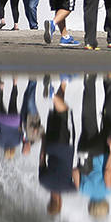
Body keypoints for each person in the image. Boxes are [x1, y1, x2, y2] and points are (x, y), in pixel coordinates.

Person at [77, 74, 111, 220]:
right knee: (88, 116)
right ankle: (89, 79)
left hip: (102, 150)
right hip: (85, 151)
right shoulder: (83, 191)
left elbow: (108, 171)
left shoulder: (108, 191)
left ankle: (110, 79)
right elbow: (74, 172)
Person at [39, 80, 77, 215]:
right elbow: (42, 158)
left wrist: (70, 172)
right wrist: (43, 139)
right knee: (58, 113)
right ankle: (63, 84)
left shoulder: (70, 189)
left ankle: (53, 95)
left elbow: (76, 172)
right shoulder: (43, 182)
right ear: (49, 201)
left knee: (65, 112)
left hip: (66, 147)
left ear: (60, 203)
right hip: (50, 146)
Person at [0, 77, 23, 159]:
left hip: (14, 121)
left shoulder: (17, 142)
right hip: (2, 120)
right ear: (4, 151)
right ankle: (1, 87)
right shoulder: (0, 143)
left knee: (13, 101)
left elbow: (22, 133)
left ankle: (15, 83)